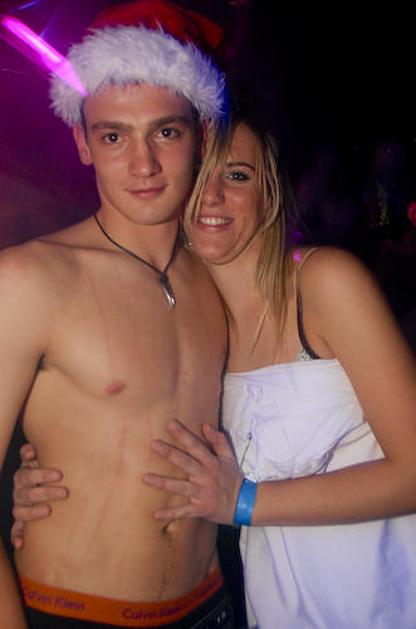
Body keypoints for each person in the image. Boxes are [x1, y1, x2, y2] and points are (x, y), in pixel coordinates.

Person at [14, 113, 416, 628]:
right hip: (277, 609)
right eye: (199, 176)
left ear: (269, 191)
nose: (211, 197)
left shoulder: (323, 282)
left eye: (237, 176)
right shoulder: (193, 316)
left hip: (381, 602)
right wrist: (53, 481)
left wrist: (244, 502)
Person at [0, 1, 236, 627]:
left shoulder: (226, 280)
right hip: (73, 612)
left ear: (200, 136)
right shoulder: (30, 279)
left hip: (212, 605)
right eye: (113, 136)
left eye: (165, 132)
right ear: (82, 142)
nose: (143, 164)